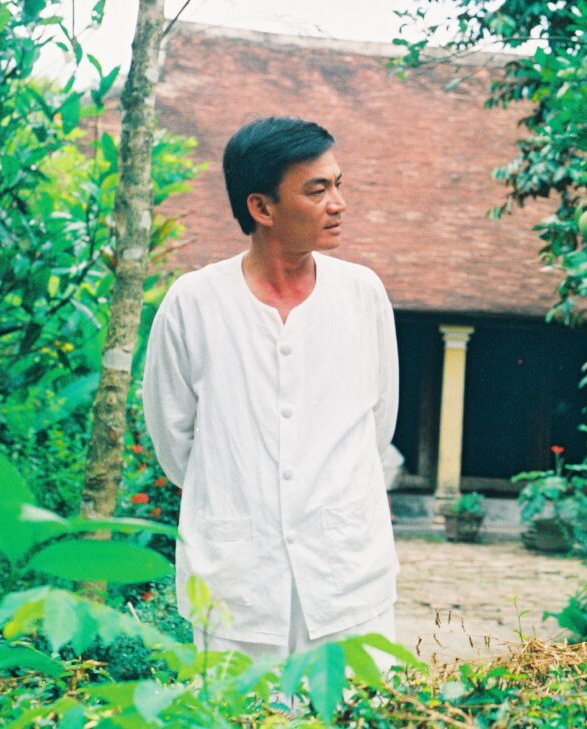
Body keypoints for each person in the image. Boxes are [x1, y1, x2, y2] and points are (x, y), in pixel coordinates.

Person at [143, 117, 400, 663]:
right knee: (241, 708)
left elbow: (378, 427)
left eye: (338, 185)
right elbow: (174, 443)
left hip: (349, 576)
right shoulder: (194, 303)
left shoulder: (362, 296)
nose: (338, 204)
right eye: (317, 190)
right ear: (262, 207)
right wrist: (243, 494)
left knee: (358, 706)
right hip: (237, 584)